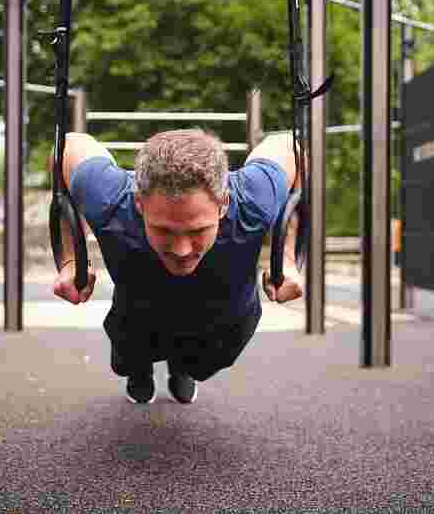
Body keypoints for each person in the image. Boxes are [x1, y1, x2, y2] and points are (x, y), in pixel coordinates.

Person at [51, 129, 303, 404]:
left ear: (224, 203)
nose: (182, 250)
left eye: (197, 231)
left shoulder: (255, 198)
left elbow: (291, 147)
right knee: (128, 356)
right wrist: (70, 260)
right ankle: (138, 369)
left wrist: (286, 259)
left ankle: (183, 366)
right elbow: (68, 147)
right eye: (165, 230)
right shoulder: (110, 198)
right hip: (140, 306)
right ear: (139, 203)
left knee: (206, 361)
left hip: (223, 314)